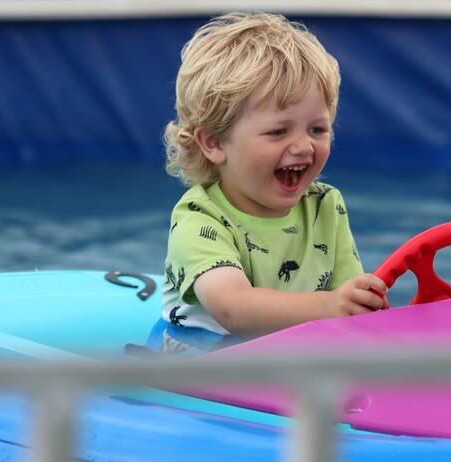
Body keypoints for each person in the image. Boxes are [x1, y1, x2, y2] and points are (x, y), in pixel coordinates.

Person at [161, 12, 389, 347]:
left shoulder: (326, 206)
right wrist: (330, 306)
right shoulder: (199, 218)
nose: (303, 146)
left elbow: (348, 301)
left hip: (293, 365)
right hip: (206, 373)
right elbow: (232, 308)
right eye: (278, 131)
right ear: (213, 142)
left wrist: (362, 304)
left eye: (317, 129)